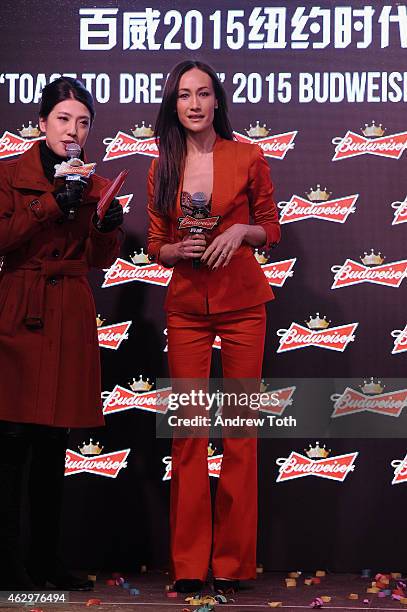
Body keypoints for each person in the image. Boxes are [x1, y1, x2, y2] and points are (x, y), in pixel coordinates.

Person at [147, 60, 281, 593]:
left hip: (245, 303)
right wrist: (176, 249)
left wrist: (244, 232)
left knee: (241, 434)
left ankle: (233, 564)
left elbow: (272, 227)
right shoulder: (163, 164)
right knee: (188, 434)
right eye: (184, 95)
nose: (195, 104)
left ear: (218, 101)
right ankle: (187, 565)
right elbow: (157, 244)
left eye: (204, 94)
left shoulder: (247, 154)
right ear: (174, 104)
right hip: (185, 307)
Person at [0, 77, 123, 590]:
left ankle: (46, 561)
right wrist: (50, 203)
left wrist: (105, 225)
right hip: (20, 310)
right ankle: (6, 565)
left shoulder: (93, 184)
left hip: (69, 313)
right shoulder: (9, 174)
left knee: (54, 448)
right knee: (10, 446)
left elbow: (101, 261)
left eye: (83, 122)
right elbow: (3, 240)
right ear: (42, 123)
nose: (73, 131)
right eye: (63, 119)